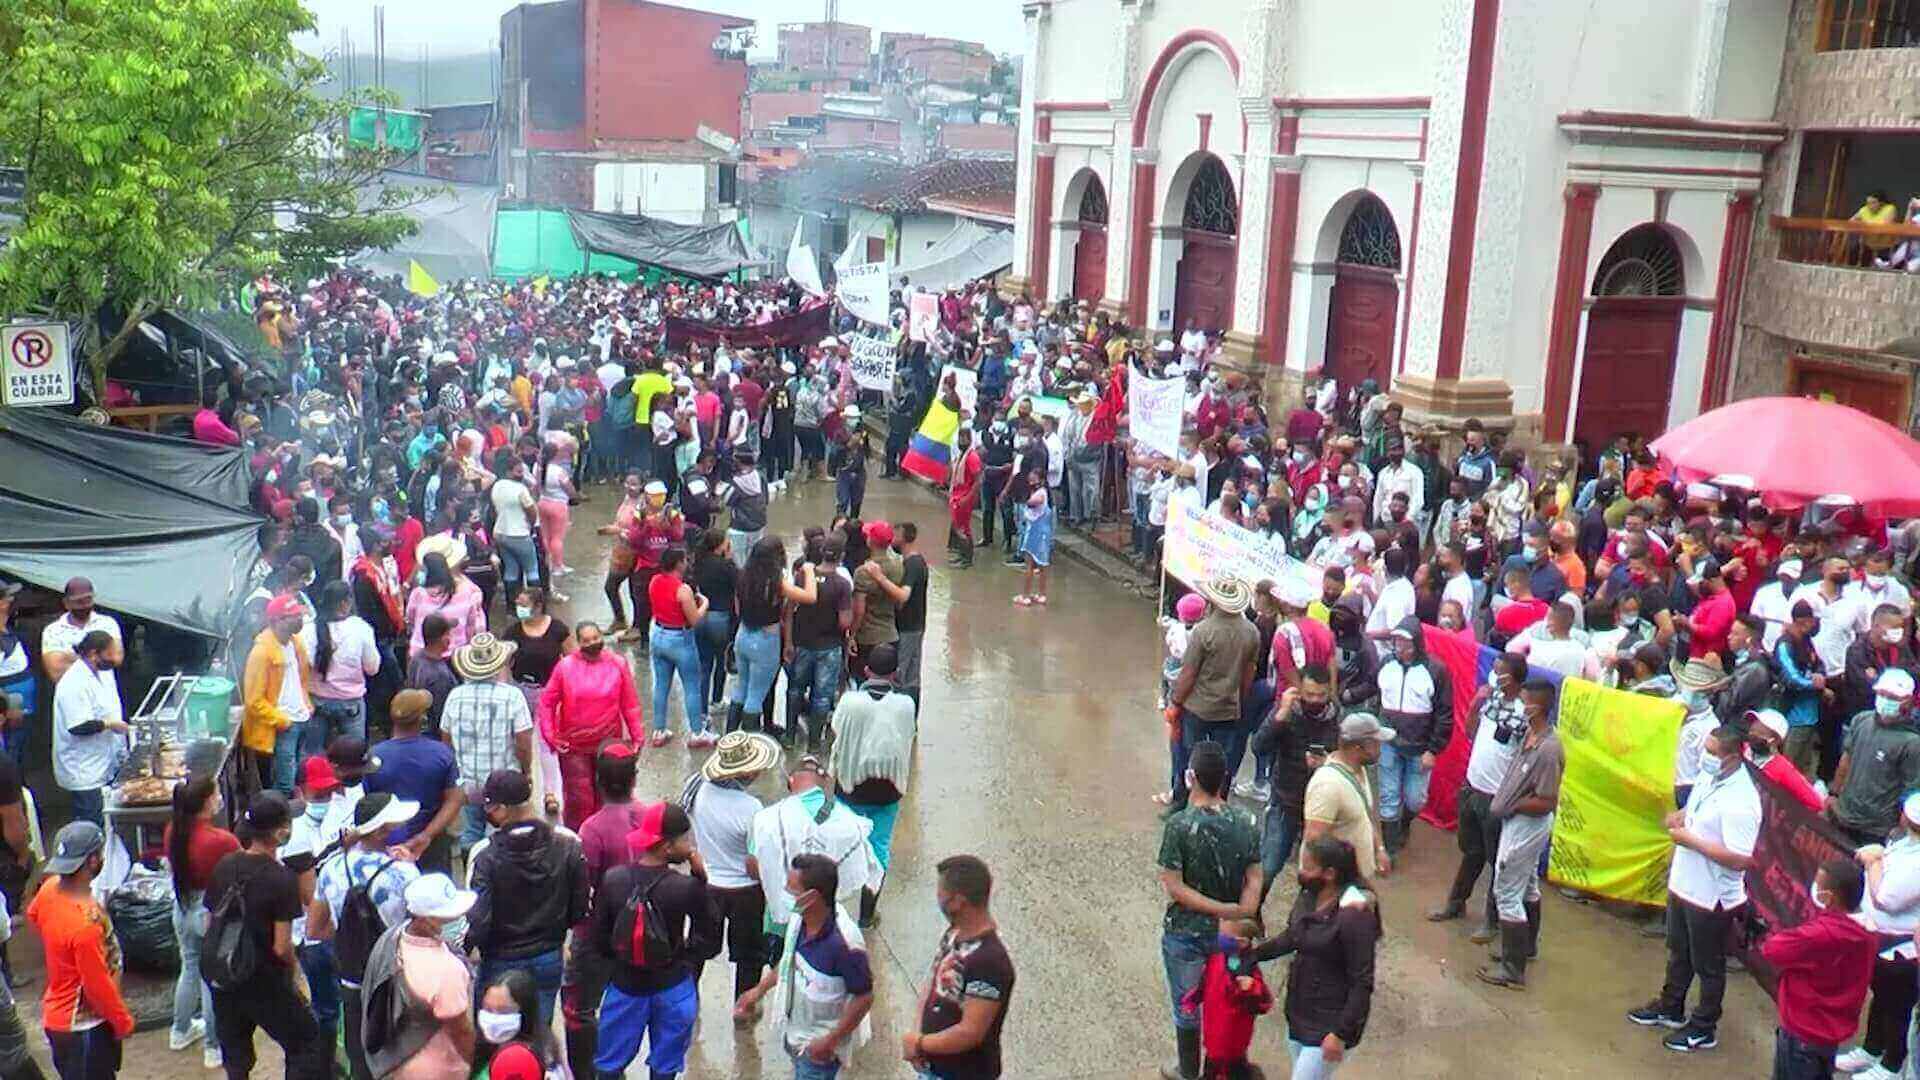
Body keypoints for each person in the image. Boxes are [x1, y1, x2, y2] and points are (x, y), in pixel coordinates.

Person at [1628, 725, 1760, 1054]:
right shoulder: (1708, 776)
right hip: (1684, 883)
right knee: (1679, 952)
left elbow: (1741, 859)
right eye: (1707, 749)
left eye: (1713, 752)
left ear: (1733, 757)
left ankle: (1704, 1026)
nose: (1707, 756)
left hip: (1712, 897)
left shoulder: (1743, 801)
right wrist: (1680, 817)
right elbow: (1698, 807)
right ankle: (1671, 1006)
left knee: (1708, 965)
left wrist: (1691, 841)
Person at [587, 803, 721, 1080]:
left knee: (609, 1063)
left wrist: (620, 961)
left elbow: (598, 939)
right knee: (665, 1065)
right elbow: (710, 940)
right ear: (667, 847)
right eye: (685, 839)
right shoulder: (686, 888)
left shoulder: (613, 880)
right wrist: (701, 878)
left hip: (625, 987)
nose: (690, 845)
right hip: (672, 986)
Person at [1156, 741, 1261, 1080]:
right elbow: (1254, 874)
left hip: (1186, 932)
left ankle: (1188, 1072)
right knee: (1229, 1001)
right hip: (1228, 937)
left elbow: (1174, 885)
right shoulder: (1245, 820)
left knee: (1187, 1006)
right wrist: (1243, 909)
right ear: (1224, 779)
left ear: (1191, 778)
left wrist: (1222, 910)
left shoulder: (1179, 825)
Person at [206, 792, 328, 1078]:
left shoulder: (225, 865)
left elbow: (211, 922)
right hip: (263, 978)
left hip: (224, 974)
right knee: (305, 1040)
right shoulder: (281, 878)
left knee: (235, 1055)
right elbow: (281, 947)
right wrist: (295, 974)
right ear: (280, 831)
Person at [307, 793, 423, 1080]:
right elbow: (423, 926)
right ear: (383, 829)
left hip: (353, 979)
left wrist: (349, 932)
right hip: (396, 979)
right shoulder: (404, 874)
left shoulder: (332, 869)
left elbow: (315, 929)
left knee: (360, 1060)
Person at [1245, 838, 1380, 1079]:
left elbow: (1362, 981)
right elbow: (1292, 937)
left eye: (1308, 867)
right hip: (1300, 1010)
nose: (1301, 872)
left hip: (1330, 1021)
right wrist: (1253, 955)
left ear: (1329, 874)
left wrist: (1340, 1033)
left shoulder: (1354, 916)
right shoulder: (1309, 894)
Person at [465, 770, 588, 1029]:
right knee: (537, 1035)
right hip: (548, 955)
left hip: (500, 960)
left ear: (501, 809)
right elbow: (579, 907)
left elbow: (478, 920)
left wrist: (465, 952)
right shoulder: (569, 843)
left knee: (494, 1036)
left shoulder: (484, 854)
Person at [734, 853, 875, 1080]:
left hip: (820, 1050)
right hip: (796, 1033)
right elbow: (790, 959)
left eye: (792, 890)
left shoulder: (845, 946)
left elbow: (865, 997)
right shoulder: (800, 920)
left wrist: (830, 1041)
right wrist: (758, 991)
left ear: (811, 897)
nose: (787, 894)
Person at [559, 743, 648, 1080]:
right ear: (633, 779)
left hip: (597, 935)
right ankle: (615, 1065)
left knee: (579, 1008)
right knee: (622, 1005)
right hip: (638, 931)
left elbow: (585, 887)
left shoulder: (592, 829)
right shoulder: (648, 817)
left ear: (597, 781)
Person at [1477, 679, 1564, 990]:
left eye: (1524, 700)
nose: (1519, 705)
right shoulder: (1532, 733)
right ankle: (1525, 948)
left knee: (1506, 892)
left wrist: (1513, 806)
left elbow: (1546, 801)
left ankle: (1513, 970)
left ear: (1535, 707)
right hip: (1517, 822)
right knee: (1527, 885)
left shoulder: (1549, 749)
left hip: (1527, 825)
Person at [28, 822, 131, 1080]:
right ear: (93, 860)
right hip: (84, 1028)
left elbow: (33, 915)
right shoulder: (86, 924)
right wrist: (122, 1021)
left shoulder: (50, 889)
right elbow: (97, 987)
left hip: (59, 1020)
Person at [683, 732, 778, 1012]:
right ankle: (743, 1005)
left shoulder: (697, 786)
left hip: (706, 883)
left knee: (697, 947)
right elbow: (753, 862)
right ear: (745, 772)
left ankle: (687, 998)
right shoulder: (751, 808)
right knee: (749, 955)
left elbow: (683, 825)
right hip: (745, 892)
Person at [902, 855, 1015, 1079]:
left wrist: (920, 1042)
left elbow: (970, 1032)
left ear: (958, 901)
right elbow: (932, 982)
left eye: (940, 893)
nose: (938, 898)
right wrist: (917, 1034)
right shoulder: (954, 932)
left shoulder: (989, 961)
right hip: (933, 1067)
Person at [828, 642, 917, 927]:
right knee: (878, 848)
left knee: (840, 845)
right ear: (896, 673)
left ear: (866, 671)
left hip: (850, 787)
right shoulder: (906, 704)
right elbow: (907, 736)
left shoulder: (849, 701)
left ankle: (830, 909)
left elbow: (836, 730)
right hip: (888, 790)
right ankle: (866, 915)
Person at [1762, 858, 1877, 1080]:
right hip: (1831, 1031)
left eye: (1819, 884)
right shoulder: (1867, 933)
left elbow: (1772, 949)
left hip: (1803, 1031)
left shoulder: (1820, 934)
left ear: (1829, 897)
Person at [363, 874, 479, 1079]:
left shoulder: (391, 938)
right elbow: (460, 1031)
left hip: (391, 1061)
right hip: (437, 1069)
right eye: (448, 917)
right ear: (426, 920)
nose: (456, 920)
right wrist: (478, 1066)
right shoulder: (447, 969)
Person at [1839, 792, 1920, 1078]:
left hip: (1903, 948)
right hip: (1879, 940)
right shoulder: (1901, 843)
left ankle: (1892, 1065)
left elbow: (1887, 898)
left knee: (1898, 1007)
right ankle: (1872, 1050)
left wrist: (1873, 863)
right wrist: (1878, 856)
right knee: (1881, 997)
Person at [1163, 577, 1259, 810]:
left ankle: (1181, 802)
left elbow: (1189, 674)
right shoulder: (1251, 632)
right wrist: (1239, 701)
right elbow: (1249, 673)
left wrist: (1175, 702)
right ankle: (1218, 803)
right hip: (1229, 708)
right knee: (1221, 761)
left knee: (1187, 757)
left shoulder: (1203, 631)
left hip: (1198, 707)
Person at [538, 622, 645, 830]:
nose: (592, 643)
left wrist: (637, 737)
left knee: (610, 795)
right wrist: (551, 736)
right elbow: (547, 703)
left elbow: (630, 704)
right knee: (579, 799)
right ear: (578, 643)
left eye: (596, 638)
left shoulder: (617, 664)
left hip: (608, 743)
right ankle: (579, 842)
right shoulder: (565, 667)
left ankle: (608, 837)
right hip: (574, 745)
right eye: (586, 640)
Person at [444, 633, 534, 853]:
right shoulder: (512, 696)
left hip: (469, 780)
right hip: (504, 782)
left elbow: (446, 739)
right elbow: (523, 740)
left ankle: (472, 867)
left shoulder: (455, 696)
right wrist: (526, 770)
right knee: (503, 831)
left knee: (472, 830)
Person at [1371, 621, 1453, 857]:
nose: (1400, 647)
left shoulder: (1436, 670)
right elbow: (1378, 698)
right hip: (1389, 742)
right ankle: (1390, 848)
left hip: (1420, 748)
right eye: (1397, 641)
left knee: (1416, 800)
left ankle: (1404, 823)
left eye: (1406, 642)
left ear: (1417, 643)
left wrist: (1433, 750)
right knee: (1389, 795)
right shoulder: (1386, 664)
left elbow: (1444, 714)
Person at [365, 689, 465, 875]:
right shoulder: (442, 753)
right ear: (422, 719)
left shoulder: (373, 756)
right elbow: (455, 799)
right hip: (432, 845)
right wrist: (426, 836)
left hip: (384, 847)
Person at [732, 538, 818, 735]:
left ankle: (730, 735)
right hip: (766, 641)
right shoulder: (776, 584)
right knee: (756, 695)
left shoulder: (742, 576)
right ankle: (749, 742)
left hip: (743, 635)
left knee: (741, 688)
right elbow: (810, 597)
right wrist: (810, 570)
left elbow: (737, 610)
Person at [1830, 668, 1920, 848]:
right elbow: (1846, 759)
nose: (1886, 700)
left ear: (1908, 701)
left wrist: (1900, 829)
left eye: (1893, 697)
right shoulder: (1861, 720)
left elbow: (1911, 790)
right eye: (1882, 694)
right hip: (1844, 814)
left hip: (1876, 829)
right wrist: (1833, 794)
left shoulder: (1912, 743)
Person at [51, 631, 127, 827]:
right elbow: (78, 725)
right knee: (93, 825)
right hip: (84, 770)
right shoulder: (74, 683)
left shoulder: (98, 675)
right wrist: (110, 724)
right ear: (94, 654)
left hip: (101, 762)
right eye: (109, 653)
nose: (114, 659)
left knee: (107, 823)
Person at [1305, 713, 1393, 881]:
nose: (1380, 748)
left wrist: (1379, 849)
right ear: (1358, 749)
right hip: (1339, 884)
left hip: (1358, 878)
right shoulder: (1328, 785)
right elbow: (1314, 842)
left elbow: (1366, 816)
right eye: (1376, 744)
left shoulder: (1359, 769)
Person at [787, 535, 853, 753]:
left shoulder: (803, 576)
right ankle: (814, 744)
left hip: (802, 643)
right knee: (822, 697)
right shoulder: (842, 584)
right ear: (842, 556)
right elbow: (845, 622)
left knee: (795, 690)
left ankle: (789, 736)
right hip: (829, 646)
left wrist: (788, 641)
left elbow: (788, 611)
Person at [647, 546, 711, 748]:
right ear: (678, 564)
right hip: (680, 639)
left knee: (661, 685)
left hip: (658, 634)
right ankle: (697, 733)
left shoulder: (654, 581)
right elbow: (694, 620)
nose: (687, 563)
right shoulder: (683, 590)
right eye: (684, 560)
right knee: (692, 686)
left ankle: (659, 730)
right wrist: (704, 605)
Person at [310, 580, 379, 757]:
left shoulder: (311, 628)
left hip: (318, 701)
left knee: (313, 756)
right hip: (351, 703)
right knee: (355, 756)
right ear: (345, 603)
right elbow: (372, 668)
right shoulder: (360, 628)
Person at [474, 970, 562, 1079]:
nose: (494, 1018)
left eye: (504, 1011)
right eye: (488, 1009)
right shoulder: (482, 1049)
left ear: (525, 1012)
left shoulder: (524, 1059)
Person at [404, 614, 461, 733]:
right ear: (443, 639)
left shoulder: (417, 658)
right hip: (435, 735)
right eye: (448, 633)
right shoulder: (439, 675)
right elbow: (442, 715)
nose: (450, 638)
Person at [1013, 475, 1054, 607]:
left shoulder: (1040, 493)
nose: (1030, 482)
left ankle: (1025, 596)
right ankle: (1042, 594)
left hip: (1035, 533)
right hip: (1043, 533)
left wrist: (1027, 499)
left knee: (1030, 565)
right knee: (1042, 565)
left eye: (1033, 479)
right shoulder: (1043, 493)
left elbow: (1032, 503)